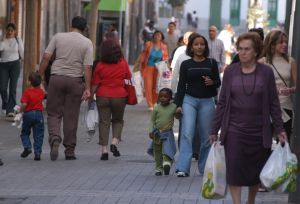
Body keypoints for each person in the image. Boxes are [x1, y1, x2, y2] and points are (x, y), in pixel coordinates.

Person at [209, 32, 287, 204]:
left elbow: (274, 103)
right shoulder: (230, 72)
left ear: (256, 51)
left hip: (259, 131)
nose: (242, 53)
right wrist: (214, 129)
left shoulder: (266, 72)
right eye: (240, 49)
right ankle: (237, 202)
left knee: (255, 171)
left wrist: (280, 129)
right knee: (234, 169)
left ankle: (250, 201)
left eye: (247, 49)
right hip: (234, 130)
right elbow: (222, 102)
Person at [38, 16, 93, 161]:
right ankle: (69, 151)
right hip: (75, 81)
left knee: (54, 113)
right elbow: (87, 67)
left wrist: (39, 77)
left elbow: (46, 58)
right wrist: (88, 88)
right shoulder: (87, 43)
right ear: (84, 28)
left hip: (56, 79)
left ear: (71, 25)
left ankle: (55, 138)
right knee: (71, 116)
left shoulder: (58, 37)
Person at [175, 34, 221, 177]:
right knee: (187, 133)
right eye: (196, 44)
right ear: (191, 47)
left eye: (202, 44)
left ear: (205, 47)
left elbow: (218, 82)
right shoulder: (186, 64)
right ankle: (183, 167)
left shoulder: (212, 63)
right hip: (189, 100)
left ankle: (205, 168)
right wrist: (178, 104)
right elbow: (181, 85)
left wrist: (212, 82)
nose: (199, 47)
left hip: (207, 101)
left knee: (207, 137)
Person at [91, 39, 131, 161]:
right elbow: (128, 78)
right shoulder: (123, 64)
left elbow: (95, 83)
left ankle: (104, 150)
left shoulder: (100, 65)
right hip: (119, 96)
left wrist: (89, 96)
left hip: (102, 96)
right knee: (118, 120)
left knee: (104, 122)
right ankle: (114, 142)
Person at [259, 30, 297, 141]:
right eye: (281, 42)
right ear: (272, 44)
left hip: (286, 108)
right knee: (265, 143)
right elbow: (256, 87)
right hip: (267, 108)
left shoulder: (291, 62)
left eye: (286, 42)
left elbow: (297, 86)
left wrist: (291, 90)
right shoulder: (263, 62)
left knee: (284, 143)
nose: (284, 45)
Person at [149, 88, 178, 176]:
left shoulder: (173, 107)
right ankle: (158, 168)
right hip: (156, 134)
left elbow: (177, 116)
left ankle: (166, 163)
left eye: (165, 96)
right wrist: (150, 131)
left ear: (170, 98)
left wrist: (179, 113)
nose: (163, 98)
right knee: (157, 152)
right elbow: (152, 121)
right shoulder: (156, 108)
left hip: (168, 133)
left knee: (167, 149)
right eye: (161, 96)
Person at [18, 72, 45, 161]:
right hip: (39, 115)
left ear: (29, 82)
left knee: (25, 133)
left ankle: (27, 147)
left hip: (28, 114)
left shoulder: (27, 92)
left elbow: (24, 104)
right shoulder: (41, 92)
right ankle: (37, 154)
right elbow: (44, 92)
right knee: (39, 135)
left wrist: (20, 111)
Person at [140, 30, 168, 111]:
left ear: (161, 37)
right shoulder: (148, 44)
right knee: (148, 86)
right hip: (148, 67)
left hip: (158, 69)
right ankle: (150, 104)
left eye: (159, 35)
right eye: (155, 35)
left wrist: (166, 68)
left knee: (156, 86)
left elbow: (165, 58)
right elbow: (143, 55)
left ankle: (155, 101)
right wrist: (140, 66)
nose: (156, 37)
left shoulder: (164, 46)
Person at [0, 23, 24, 116]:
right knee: (2, 87)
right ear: (6, 31)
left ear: (15, 31)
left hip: (15, 65)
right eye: (8, 30)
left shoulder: (18, 40)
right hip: (3, 65)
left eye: (11, 30)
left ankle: (11, 110)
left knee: (12, 88)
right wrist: (2, 40)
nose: (9, 32)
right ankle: (5, 104)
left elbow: (22, 53)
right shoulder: (3, 40)